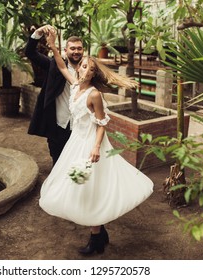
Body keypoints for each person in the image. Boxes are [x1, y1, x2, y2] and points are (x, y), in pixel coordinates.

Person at [39, 27, 154, 255]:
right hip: (76, 141)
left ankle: (95, 239)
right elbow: (61, 65)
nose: (85, 71)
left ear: (93, 74)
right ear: (79, 67)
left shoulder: (94, 94)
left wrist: (95, 148)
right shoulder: (74, 87)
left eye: (90, 69)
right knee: (77, 185)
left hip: (91, 144)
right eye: (83, 66)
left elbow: (102, 123)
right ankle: (100, 233)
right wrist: (52, 44)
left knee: (91, 190)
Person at [25, 25, 84, 165]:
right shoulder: (53, 65)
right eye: (73, 48)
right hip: (58, 126)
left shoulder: (88, 69)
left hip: (79, 127)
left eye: (79, 48)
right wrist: (37, 33)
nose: (76, 52)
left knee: (78, 163)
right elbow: (30, 53)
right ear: (65, 50)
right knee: (58, 163)